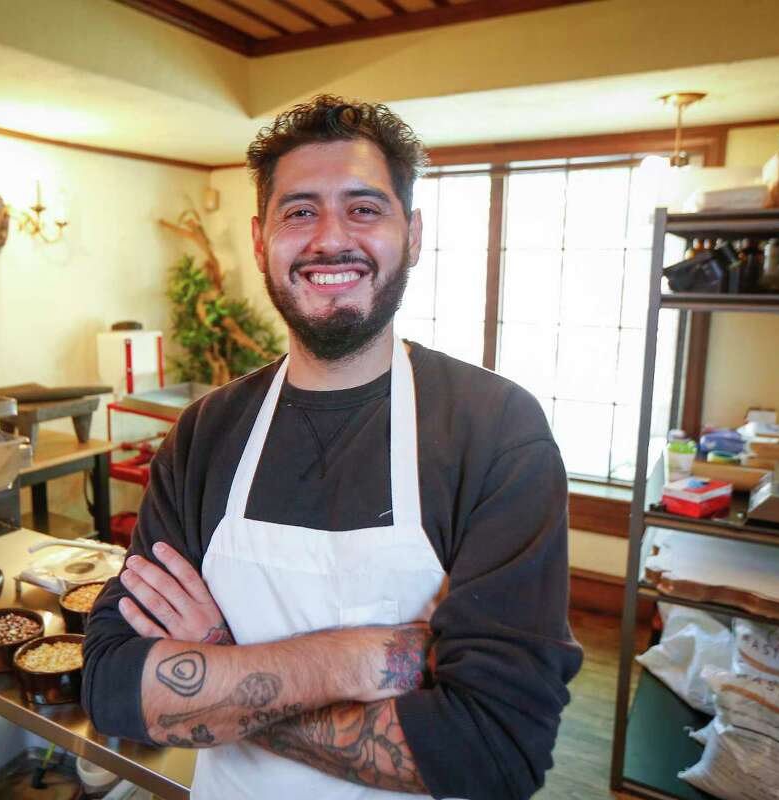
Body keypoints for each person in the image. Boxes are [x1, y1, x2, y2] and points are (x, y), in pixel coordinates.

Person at [83, 95, 583, 800]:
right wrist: (358, 659)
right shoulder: (206, 433)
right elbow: (110, 681)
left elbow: (494, 751)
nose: (329, 239)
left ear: (412, 234)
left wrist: (223, 670)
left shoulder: (495, 430)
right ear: (260, 241)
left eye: (364, 208)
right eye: (299, 211)